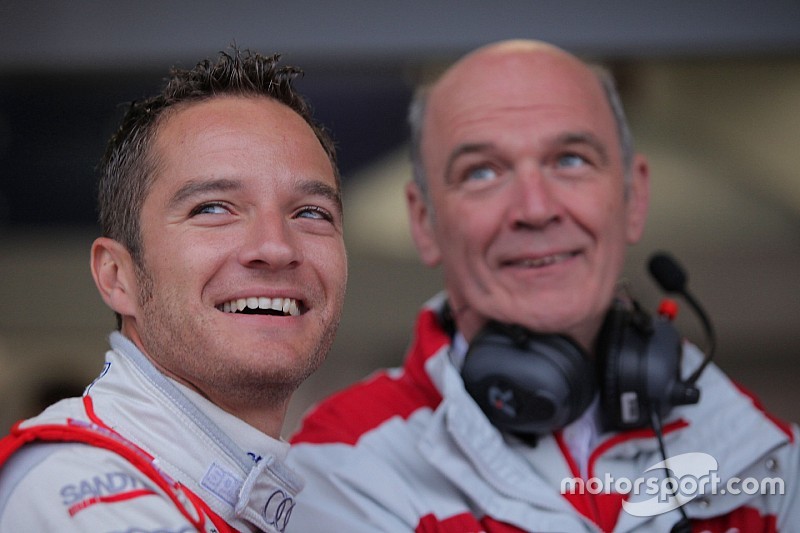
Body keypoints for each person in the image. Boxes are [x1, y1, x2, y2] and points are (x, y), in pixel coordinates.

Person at [286, 40, 799, 531]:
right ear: (425, 222)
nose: (535, 208)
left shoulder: (767, 456)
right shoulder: (346, 463)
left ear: (634, 198)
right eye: (482, 172)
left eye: (570, 160)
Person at [0, 47, 347, 532]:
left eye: (311, 213)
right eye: (213, 208)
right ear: (117, 276)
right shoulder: (75, 490)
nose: (275, 247)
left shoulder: (291, 500)